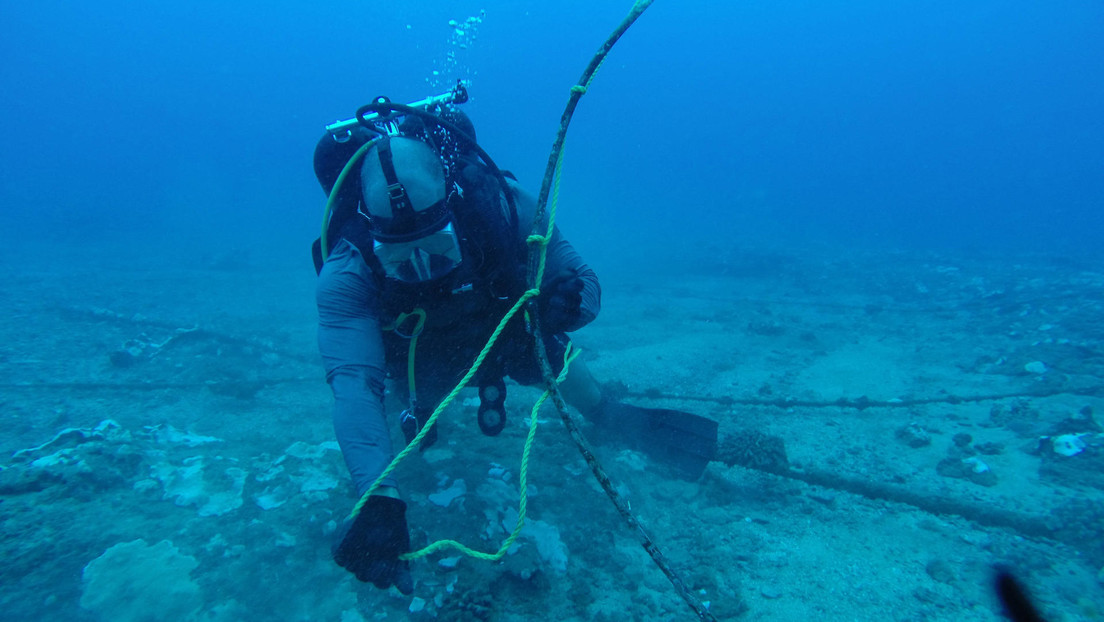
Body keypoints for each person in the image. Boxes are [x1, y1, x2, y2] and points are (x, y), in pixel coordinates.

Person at [311, 103, 716, 593]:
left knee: (550, 347)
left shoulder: (500, 206)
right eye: (397, 259)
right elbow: (354, 382)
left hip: (502, 333)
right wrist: (378, 496)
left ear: (451, 206)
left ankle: (609, 414)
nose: (422, 270)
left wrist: (565, 305)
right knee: (408, 415)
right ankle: (410, 433)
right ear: (372, 238)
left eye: (437, 248)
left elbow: (585, 282)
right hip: (417, 359)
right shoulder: (348, 267)